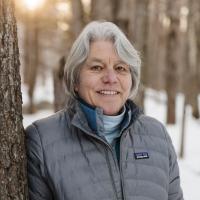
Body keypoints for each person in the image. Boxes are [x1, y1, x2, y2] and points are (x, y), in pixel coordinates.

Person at [26, 21, 184, 200]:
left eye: (120, 68)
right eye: (97, 67)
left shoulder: (158, 135)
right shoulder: (42, 140)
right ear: (75, 79)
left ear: (131, 79)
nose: (111, 78)